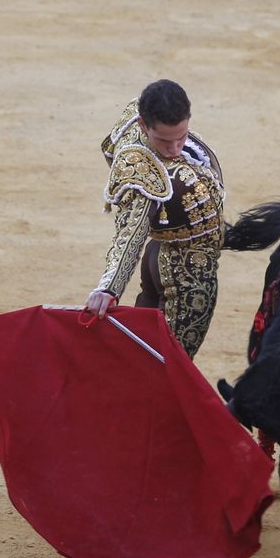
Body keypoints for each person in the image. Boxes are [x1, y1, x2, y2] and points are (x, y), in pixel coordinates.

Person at [84, 79, 226, 358]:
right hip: (185, 269)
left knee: (142, 354)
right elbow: (131, 231)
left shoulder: (133, 119)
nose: (174, 148)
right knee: (170, 365)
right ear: (143, 125)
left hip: (158, 252)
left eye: (181, 136)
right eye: (163, 140)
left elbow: (110, 147)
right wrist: (109, 288)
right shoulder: (141, 171)